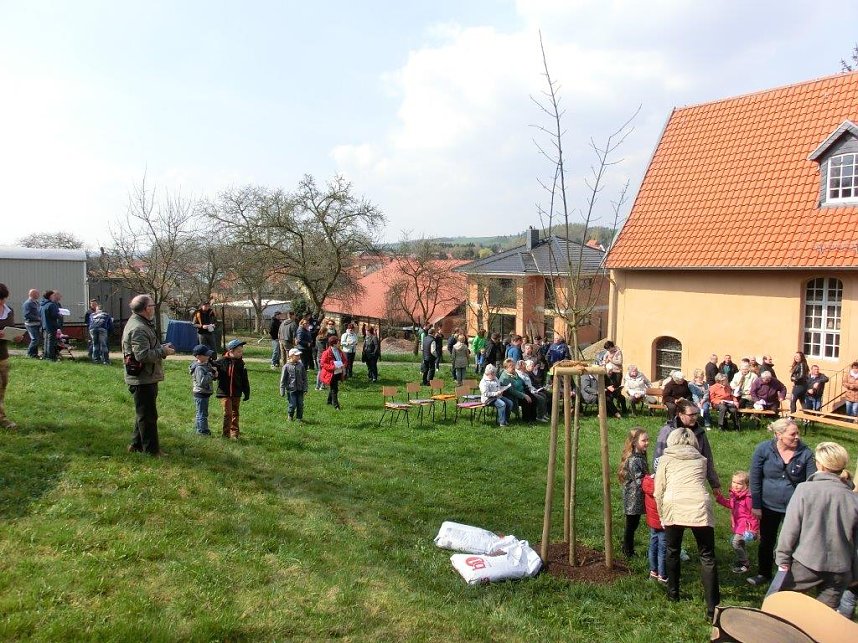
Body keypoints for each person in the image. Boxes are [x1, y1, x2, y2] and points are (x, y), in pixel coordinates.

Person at [774, 442, 858, 609]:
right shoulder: (853, 499)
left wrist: (782, 558)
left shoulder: (805, 490)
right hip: (840, 569)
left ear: (821, 464)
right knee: (823, 622)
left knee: (782, 609)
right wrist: (855, 572)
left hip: (806, 564)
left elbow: (790, 529)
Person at [654, 427, 721, 621]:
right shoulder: (701, 460)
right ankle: (712, 606)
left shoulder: (665, 460)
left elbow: (659, 491)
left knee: (672, 551)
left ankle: (673, 593)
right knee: (707, 556)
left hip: (674, 506)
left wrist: (661, 516)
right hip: (699, 506)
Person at [747, 418, 816, 586]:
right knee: (767, 541)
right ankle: (764, 573)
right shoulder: (763, 449)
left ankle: (789, 578)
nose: (797, 437)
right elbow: (755, 478)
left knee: (792, 542)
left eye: (797, 433)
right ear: (779, 434)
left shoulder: (805, 453)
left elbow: (812, 481)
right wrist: (756, 505)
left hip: (795, 508)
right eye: (793, 434)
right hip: (768, 505)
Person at [122, 294, 175, 455]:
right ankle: (151, 451)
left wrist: (160, 348)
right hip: (142, 378)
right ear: (146, 309)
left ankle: (136, 445)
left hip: (146, 376)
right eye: (152, 305)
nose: (154, 308)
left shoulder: (140, 323)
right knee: (149, 417)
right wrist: (163, 351)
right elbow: (142, 356)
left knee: (144, 414)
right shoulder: (138, 327)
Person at [654, 399, 721, 494]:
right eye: (691, 415)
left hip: (694, 481)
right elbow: (658, 458)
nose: (694, 417)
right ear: (680, 415)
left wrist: (715, 484)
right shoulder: (667, 431)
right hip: (673, 482)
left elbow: (708, 459)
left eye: (696, 414)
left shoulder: (700, 433)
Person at [715, 471, 759, 574]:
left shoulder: (748, 498)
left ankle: (745, 564)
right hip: (738, 525)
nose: (735, 485)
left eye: (739, 483)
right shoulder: (735, 495)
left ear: (746, 485)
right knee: (740, 543)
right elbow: (730, 504)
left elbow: (754, 515)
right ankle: (743, 559)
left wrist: (754, 529)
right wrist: (719, 498)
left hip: (746, 527)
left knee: (735, 543)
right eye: (733, 482)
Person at [618, 428, 649, 558]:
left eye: (648, 440)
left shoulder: (640, 455)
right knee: (631, 525)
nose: (647, 442)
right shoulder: (633, 460)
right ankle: (628, 550)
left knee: (633, 524)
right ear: (635, 442)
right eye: (644, 440)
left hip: (637, 496)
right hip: (633, 498)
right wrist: (650, 479)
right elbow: (639, 480)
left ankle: (626, 546)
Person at [214, 339, 251, 439]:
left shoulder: (241, 364)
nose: (241, 353)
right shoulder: (221, 361)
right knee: (228, 413)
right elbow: (213, 372)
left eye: (241, 351)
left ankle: (234, 433)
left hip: (236, 393)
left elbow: (244, 380)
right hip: (224, 393)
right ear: (230, 351)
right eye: (238, 351)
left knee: (235, 413)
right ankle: (225, 434)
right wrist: (214, 374)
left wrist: (246, 392)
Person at [641, 471, 667, 583]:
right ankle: (662, 575)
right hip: (662, 523)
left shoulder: (647, 482)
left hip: (652, 522)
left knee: (653, 546)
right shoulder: (662, 487)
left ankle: (653, 571)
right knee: (663, 549)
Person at [189, 344, 217, 436]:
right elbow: (202, 381)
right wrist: (212, 375)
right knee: (202, 414)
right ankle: (203, 431)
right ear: (198, 356)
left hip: (203, 393)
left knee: (200, 413)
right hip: (201, 393)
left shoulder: (204, 364)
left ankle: (199, 429)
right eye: (206, 355)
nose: (209, 356)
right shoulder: (199, 368)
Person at [0, 283, 17, 429]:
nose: (1, 303)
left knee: (3, 385)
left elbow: (11, 328)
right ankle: (2, 418)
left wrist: (16, 337)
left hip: (3, 355)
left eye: (2, 299)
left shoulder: (9, 311)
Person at [280, 348, 308, 422]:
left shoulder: (301, 365)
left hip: (300, 389)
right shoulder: (286, 366)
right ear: (291, 356)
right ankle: (290, 416)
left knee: (300, 404)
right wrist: (282, 390)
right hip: (291, 389)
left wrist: (305, 388)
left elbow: (304, 378)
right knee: (292, 404)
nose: (299, 357)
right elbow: (283, 379)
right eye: (297, 355)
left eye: (299, 355)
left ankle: (299, 418)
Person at [319, 335, 346, 410]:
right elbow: (323, 364)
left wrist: (344, 365)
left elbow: (344, 360)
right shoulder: (326, 353)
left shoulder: (339, 351)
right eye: (338, 342)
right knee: (335, 389)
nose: (339, 344)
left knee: (333, 387)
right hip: (330, 374)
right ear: (333, 344)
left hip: (338, 372)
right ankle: (336, 405)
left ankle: (329, 401)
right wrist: (333, 367)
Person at [39, 289, 61, 361]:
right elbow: (55, 315)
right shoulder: (51, 305)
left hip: (44, 326)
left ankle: (45, 355)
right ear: (50, 296)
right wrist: (59, 314)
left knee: (46, 342)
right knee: (50, 342)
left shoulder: (42, 305)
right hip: (51, 326)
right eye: (53, 295)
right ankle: (51, 357)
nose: (54, 296)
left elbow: (39, 314)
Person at [22, 288, 41, 359]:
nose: (38, 295)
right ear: (32, 294)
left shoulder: (36, 302)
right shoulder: (28, 303)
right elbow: (27, 315)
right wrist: (38, 318)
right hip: (30, 324)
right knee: (35, 339)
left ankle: (34, 354)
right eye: (37, 293)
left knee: (37, 339)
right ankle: (29, 354)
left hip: (36, 324)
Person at [314, 327, 329, 391]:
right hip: (324, 356)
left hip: (318, 355)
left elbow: (316, 347)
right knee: (324, 371)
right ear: (325, 332)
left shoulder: (317, 337)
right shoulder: (326, 339)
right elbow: (327, 348)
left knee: (319, 371)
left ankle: (317, 386)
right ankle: (322, 386)